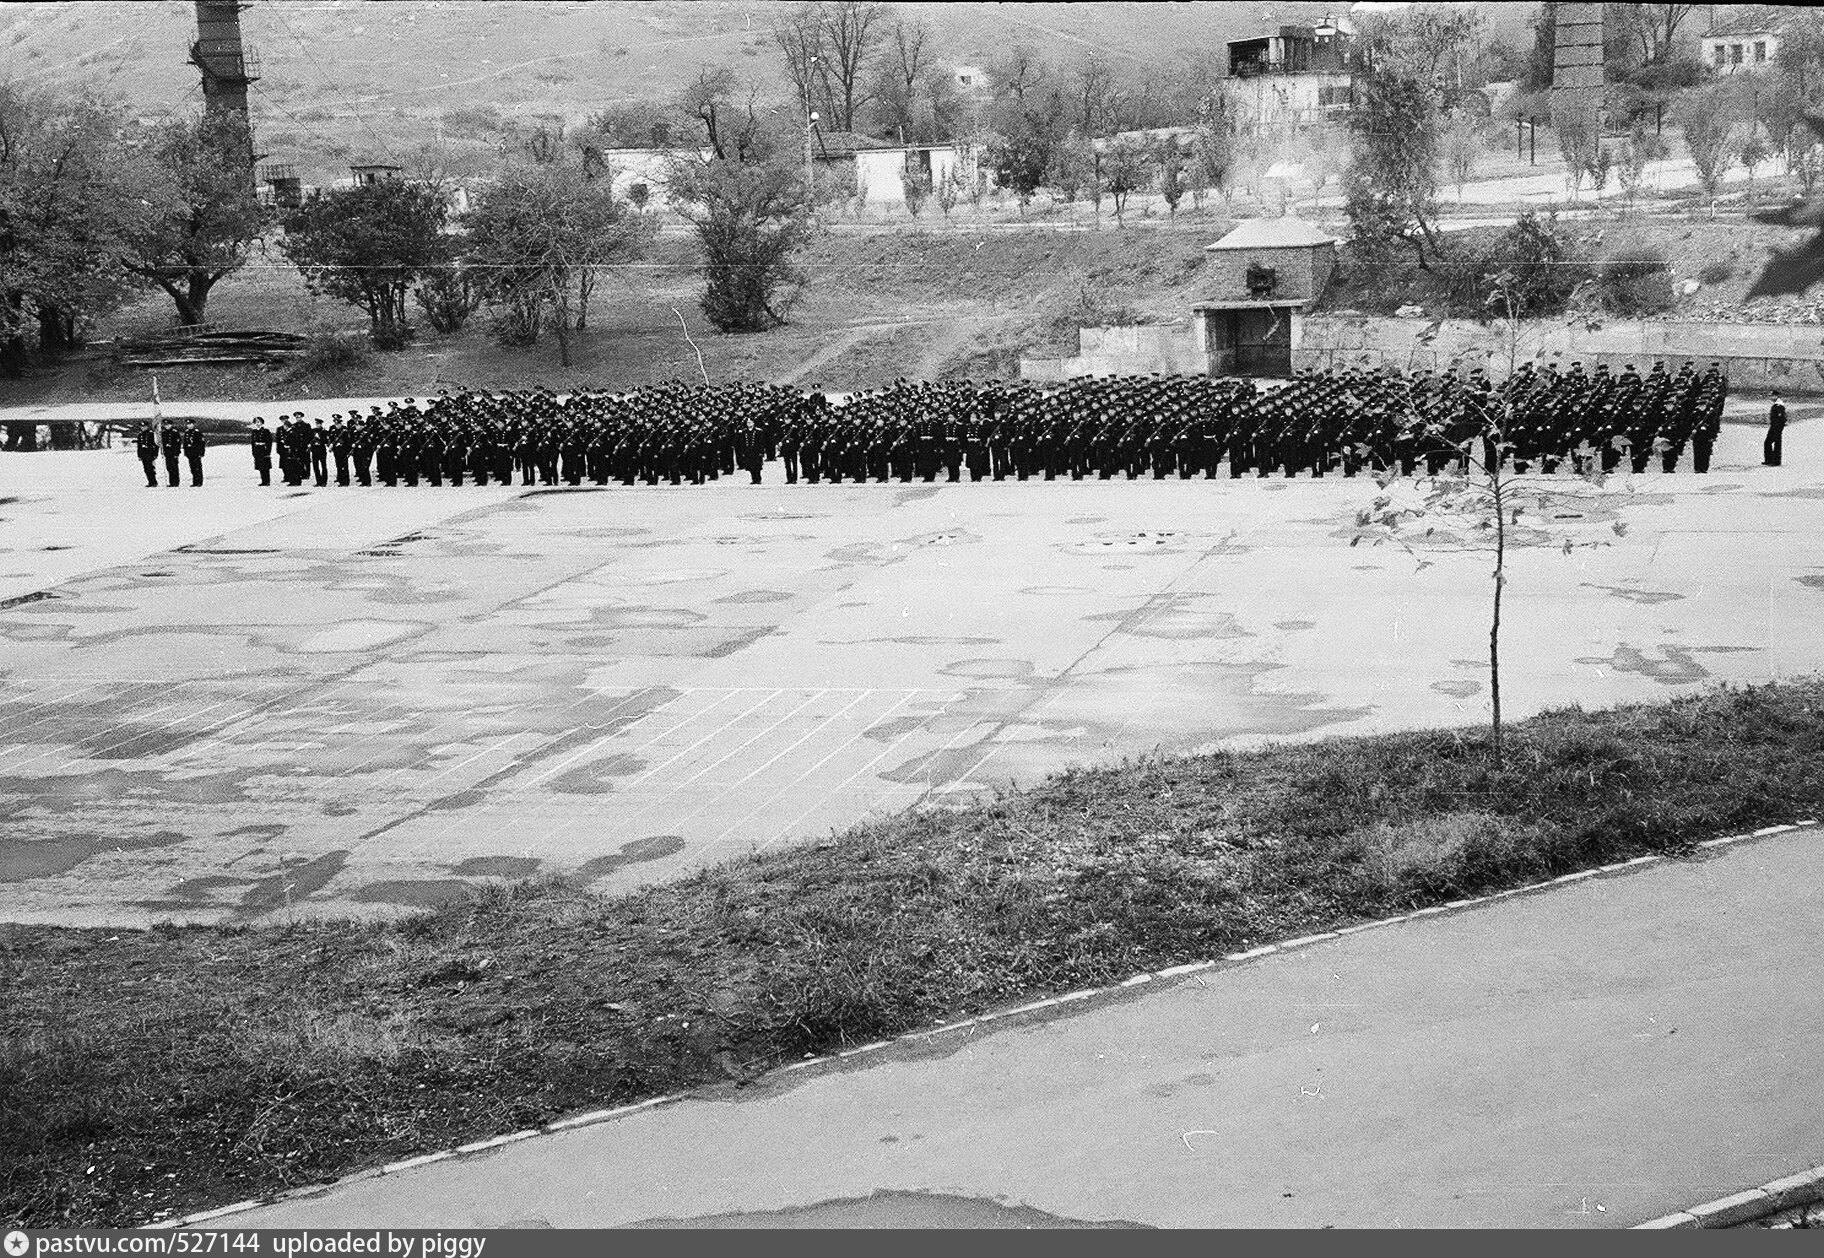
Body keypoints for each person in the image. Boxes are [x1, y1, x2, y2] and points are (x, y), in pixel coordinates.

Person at [249, 417, 274, 486]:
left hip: (264, 450)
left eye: (259, 422)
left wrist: (268, 451)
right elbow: (253, 443)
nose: (257, 424)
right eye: (256, 422)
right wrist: (253, 452)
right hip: (257, 451)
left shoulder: (266, 431)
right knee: (260, 466)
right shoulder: (254, 431)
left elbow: (269, 442)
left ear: (262, 423)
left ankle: (267, 481)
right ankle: (263, 481)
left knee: (265, 467)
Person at [181, 420, 207, 486]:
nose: (189, 425)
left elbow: (202, 444)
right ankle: (195, 482)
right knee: (192, 468)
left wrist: (201, 453)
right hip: (190, 453)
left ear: (193, 424)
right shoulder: (186, 433)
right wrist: (186, 452)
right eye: (188, 424)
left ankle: (199, 482)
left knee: (198, 468)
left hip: (196, 453)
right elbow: (185, 444)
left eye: (190, 424)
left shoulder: (197, 433)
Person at [1765, 392, 1786, 467]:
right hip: (1775, 426)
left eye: (1772, 396)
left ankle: (1772, 460)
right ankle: (1772, 460)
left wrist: (1779, 427)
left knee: (1769, 442)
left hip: (1776, 426)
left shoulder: (1779, 405)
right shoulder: (1777, 404)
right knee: (1775, 443)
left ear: (1777, 396)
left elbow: (1781, 418)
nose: (1770, 397)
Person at [160, 421, 183, 488]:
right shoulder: (163, 433)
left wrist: (177, 453)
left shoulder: (175, 432)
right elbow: (163, 443)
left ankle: (176, 482)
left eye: (168, 425)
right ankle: (171, 482)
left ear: (171, 425)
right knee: (169, 468)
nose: (167, 426)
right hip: (167, 453)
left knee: (174, 468)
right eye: (165, 425)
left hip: (173, 453)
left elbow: (177, 444)